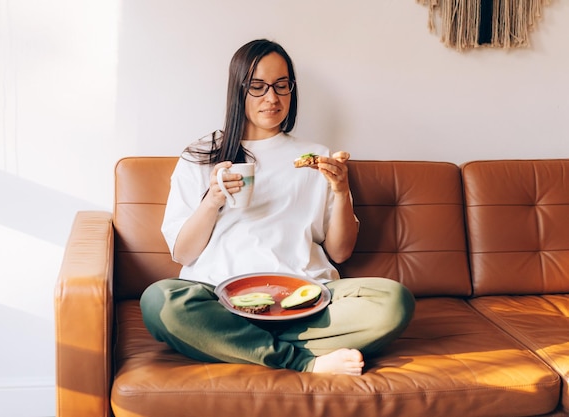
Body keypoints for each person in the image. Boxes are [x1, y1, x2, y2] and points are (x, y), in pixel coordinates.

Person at [140, 39, 415, 375]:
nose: (272, 98)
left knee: (393, 301)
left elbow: (340, 253)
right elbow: (182, 254)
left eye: (281, 86)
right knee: (160, 301)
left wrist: (341, 191)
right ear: (238, 91)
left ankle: (236, 344)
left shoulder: (317, 157)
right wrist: (213, 199)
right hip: (220, 299)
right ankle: (304, 361)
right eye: (258, 86)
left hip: (306, 298)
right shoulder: (201, 157)